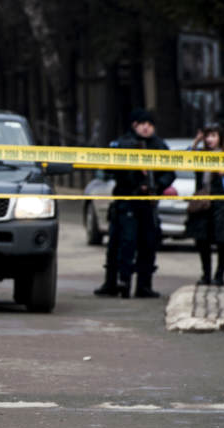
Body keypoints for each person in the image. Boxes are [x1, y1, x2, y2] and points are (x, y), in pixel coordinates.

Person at [94, 109, 175, 298]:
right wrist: (133, 173)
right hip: (127, 200)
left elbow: (170, 173)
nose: (146, 127)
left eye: (150, 124)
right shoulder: (123, 144)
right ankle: (118, 282)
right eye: (142, 123)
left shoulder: (159, 146)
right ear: (134, 125)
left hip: (148, 203)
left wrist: (156, 185)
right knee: (123, 242)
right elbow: (108, 169)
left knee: (148, 243)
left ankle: (144, 285)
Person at [186, 124, 224, 286]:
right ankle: (206, 274)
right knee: (202, 239)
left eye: (213, 136)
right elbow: (186, 158)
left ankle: (219, 275)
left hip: (221, 202)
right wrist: (196, 141)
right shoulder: (201, 154)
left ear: (220, 137)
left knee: (221, 240)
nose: (210, 139)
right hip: (202, 201)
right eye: (207, 136)